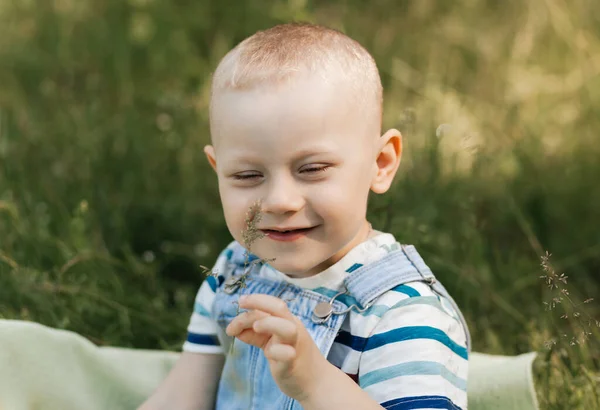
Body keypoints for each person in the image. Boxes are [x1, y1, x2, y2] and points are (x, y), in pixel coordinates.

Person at [138, 22, 470, 410]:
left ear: (380, 163)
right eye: (247, 175)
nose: (280, 201)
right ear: (218, 170)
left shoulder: (401, 312)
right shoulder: (233, 273)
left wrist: (316, 385)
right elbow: (184, 395)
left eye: (312, 169)